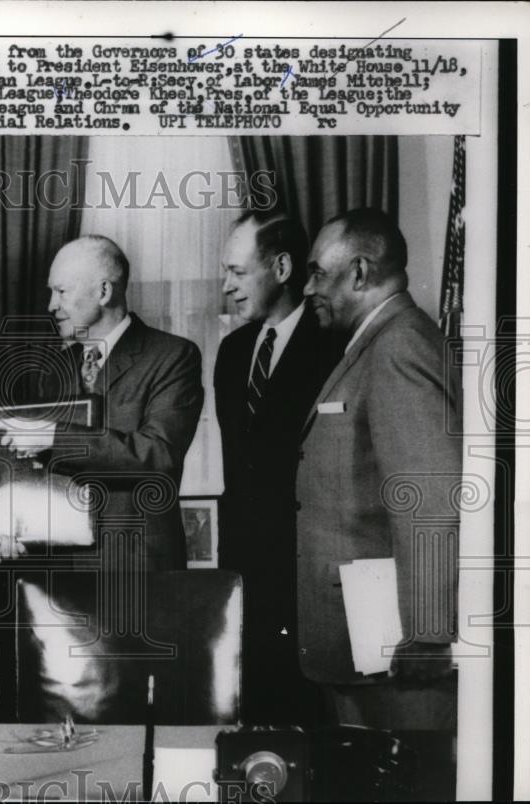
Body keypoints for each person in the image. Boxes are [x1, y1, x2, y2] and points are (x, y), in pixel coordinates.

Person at [297, 208, 461, 730]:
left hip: (394, 650)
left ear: (361, 273)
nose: (307, 289)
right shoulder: (379, 344)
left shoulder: (398, 347)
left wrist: (430, 633)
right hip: (363, 643)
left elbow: (430, 497)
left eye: (319, 272)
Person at [0, 235, 204, 573]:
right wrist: (14, 527)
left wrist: (55, 437)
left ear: (103, 292)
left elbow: (159, 457)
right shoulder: (53, 372)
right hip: (65, 574)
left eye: (61, 292)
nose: (50, 305)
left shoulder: (173, 356)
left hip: (140, 571)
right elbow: (42, 477)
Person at [214, 210, 339, 726]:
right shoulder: (231, 352)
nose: (226, 287)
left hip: (310, 578)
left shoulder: (336, 345)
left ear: (282, 266)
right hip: (247, 577)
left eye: (238, 272)